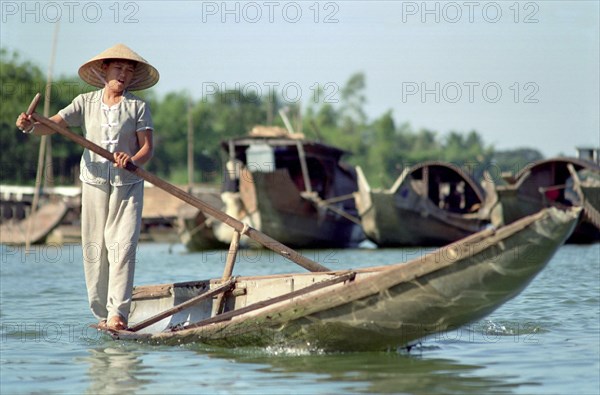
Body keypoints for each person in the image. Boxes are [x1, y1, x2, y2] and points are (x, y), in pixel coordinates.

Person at [15, 44, 159, 331]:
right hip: (93, 182)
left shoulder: (137, 107)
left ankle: (118, 312)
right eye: (118, 68)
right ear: (104, 70)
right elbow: (54, 125)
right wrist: (30, 125)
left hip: (127, 183)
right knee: (95, 246)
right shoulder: (85, 103)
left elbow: (147, 149)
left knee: (122, 245)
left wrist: (130, 160)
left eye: (129, 71)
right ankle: (101, 310)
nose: (124, 75)